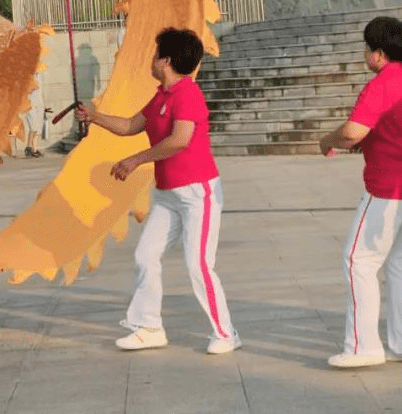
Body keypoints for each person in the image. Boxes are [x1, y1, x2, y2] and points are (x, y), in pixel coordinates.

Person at [76, 28, 240, 355]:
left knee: (199, 265)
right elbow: (128, 126)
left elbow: (180, 140)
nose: (151, 60)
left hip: (198, 195)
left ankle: (226, 332)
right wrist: (93, 116)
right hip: (168, 196)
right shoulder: (161, 96)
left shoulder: (188, 95)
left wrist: (136, 160)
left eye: (155, 54)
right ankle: (148, 327)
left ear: (166, 60)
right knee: (144, 256)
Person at [318, 16, 402, 369]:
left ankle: (362, 347)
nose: (365, 54)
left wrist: (328, 140)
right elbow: (395, 129)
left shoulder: (382, 84)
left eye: (367, 48)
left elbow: (352, 132)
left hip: (391, 188)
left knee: (359, 260)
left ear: (379, 54)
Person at [23, 73, 46, 158]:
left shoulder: (39, 76)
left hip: (39, 104)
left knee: (38, 128)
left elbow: (41, 91)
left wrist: (44, 105)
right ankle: (31, 148)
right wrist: (30, 89)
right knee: (33, 127)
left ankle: (33, 148)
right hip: (30, 104)